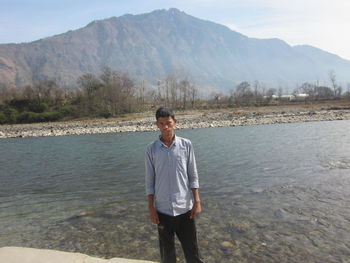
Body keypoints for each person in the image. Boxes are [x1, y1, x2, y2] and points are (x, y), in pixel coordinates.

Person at [145, 107, 204, 263]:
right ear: (156, 124)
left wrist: (197, 201)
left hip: (185, 209)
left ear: (175, 122)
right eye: (161, 123)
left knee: (192, 253)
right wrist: (151, 207)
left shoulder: (186, 145)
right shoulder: (151, 149)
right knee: (167, 256)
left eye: (168, 123)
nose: (165, 127)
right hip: (163, 211)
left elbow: (193, 175)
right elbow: (149, 181)